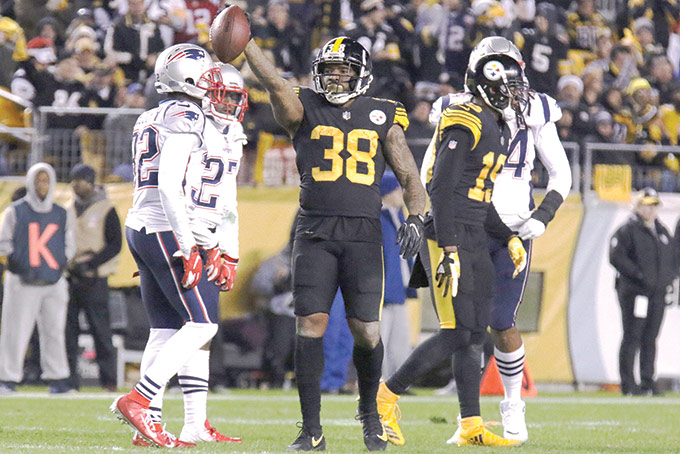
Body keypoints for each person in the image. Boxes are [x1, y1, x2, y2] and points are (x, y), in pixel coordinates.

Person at [244, 35, 427, 451]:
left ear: (361, 75)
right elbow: (275, 85)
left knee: (366, 329)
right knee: (310, 324)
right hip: (315, 233)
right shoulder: (304, 106)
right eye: (329, 70)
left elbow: (411, 178)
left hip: (364, 234)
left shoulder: (383, 114)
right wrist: (249, 46)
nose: (336, 78)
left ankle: (370, 413)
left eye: (344, 71)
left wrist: (417, 217)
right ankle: (311, 430)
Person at [377, 39, 528, 448]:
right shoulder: (466, 116)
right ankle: (386, 396)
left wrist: (508, 235)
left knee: (475, 333)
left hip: (475, 229)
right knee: (457, 332)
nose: (513, 93)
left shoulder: (494, 121)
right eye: (506, 86)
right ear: (485, 84)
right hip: (450, 233)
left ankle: (470, 425)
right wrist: (448, 248)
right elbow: (440, 189)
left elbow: (477, 194)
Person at [427, 37, 572, 444]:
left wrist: (542, 216)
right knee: (462, 325)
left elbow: (561, 175)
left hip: (512, 228)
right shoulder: (458, 111)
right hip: (468, 225)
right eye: (498, 76)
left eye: (512, 76)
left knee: (501, 321)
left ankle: (512, 403)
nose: (507, 86)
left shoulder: (535, 111)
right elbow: (433, 172)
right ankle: (468, 419)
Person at [109, 43, 234, 448]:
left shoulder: (151, 114)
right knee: (203, 324)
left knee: (163, 329)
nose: (212, 84)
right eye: (206, 75)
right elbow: (168, 185)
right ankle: (140, 400)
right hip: (164, 226)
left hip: (142, 225)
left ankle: (149, 427)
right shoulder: (187, 114)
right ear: (188, 77)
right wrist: (188, 244)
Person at [0, 163, 75, 394]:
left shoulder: (61, 213)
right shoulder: (15, 210)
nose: (42, 185)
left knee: (54, 331)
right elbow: (4, 243)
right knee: (15, 330)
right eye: (38, 180)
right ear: (30, 183)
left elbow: (70, 245)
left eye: (46, 180)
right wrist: (18, 264)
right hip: (22, 281)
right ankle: (7, 378)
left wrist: (58, 265)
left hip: (53, 280)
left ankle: (58, 378)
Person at [609, 188, 675, 396]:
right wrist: (638, 275)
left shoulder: (662, 232)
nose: (650, 210)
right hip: (635, 294)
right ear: (638, 206)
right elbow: (617, 257)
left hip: (657, 294)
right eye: (646, 205)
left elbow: (671, 259)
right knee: (632, 336)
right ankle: (628, 383)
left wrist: (666, 280)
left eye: (654, 205)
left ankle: (648, 380)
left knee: (650, 337)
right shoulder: (627, 230)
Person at [65, 163, 122, 392]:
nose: (76, 185)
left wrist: (91, 263)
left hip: (95, 277)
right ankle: (68, 381)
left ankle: (108, 381)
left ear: (90, 182)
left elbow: (115, 244)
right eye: (74, 181)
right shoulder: (67, 208)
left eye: (80, 180)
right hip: (70, 274)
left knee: (101, 330)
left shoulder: (106, 208)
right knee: (68, 331)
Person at [379, 170, 416, 378]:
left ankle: (399, 380)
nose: (401, 193)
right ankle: (380, 381)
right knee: (382, 336)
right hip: (385, 290)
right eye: (396, 189)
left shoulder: (398, 216)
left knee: (400, 338)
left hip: (398, 288)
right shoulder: (379, 217)